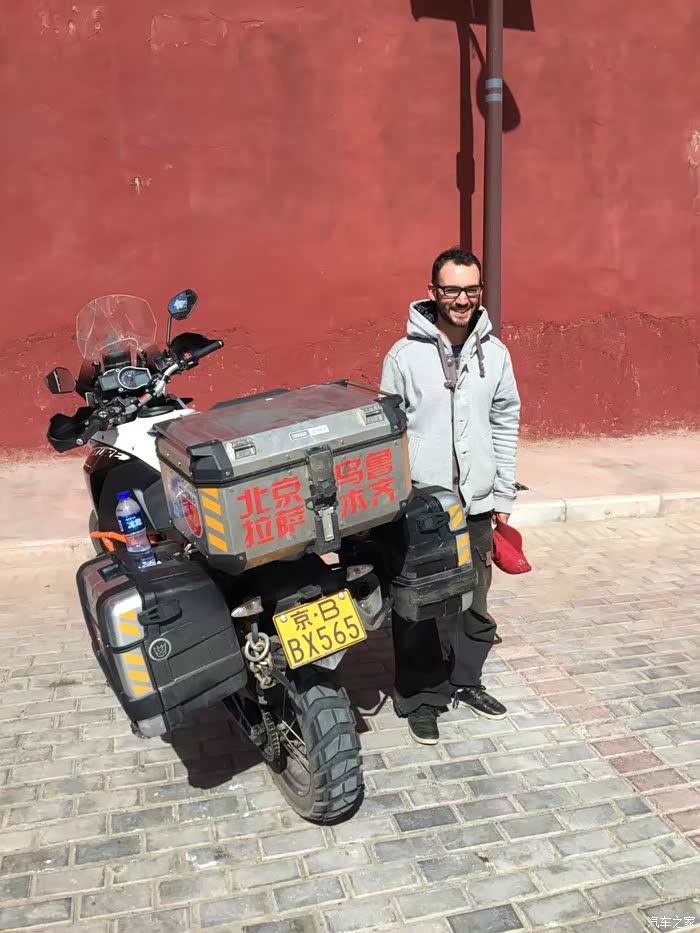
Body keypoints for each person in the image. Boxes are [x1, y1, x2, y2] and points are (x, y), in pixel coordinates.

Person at [380, 246, 521, 744]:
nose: (462, 299)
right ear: (433, 292)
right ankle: (421, 696)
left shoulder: (495, 354)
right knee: (417, 605)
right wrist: (397, 497)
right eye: (451, 289)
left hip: (477, 501)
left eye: (470, 289)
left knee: (474, 601)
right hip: (423, 506)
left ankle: (466, 679)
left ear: (480, 291)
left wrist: (503, 491)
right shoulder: (403, 356)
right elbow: (389, 431)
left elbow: (505, 422)